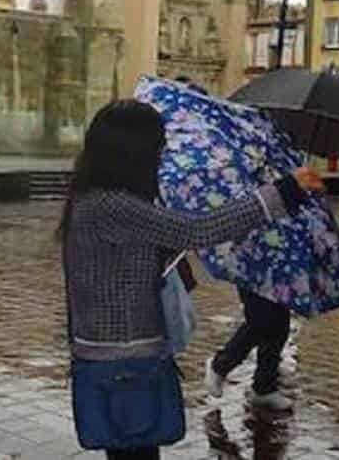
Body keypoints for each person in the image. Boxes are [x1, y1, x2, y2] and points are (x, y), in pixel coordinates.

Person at [59, 100, 324, 460]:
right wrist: (284, 191)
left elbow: (124, 263)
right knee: (135, 451)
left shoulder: (94, 199)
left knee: (129, 451)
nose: (162, 153)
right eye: (157, 146)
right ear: (132, 151)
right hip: (124, 361)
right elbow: (199, 229)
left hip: (112, 354)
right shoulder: (112, 206)